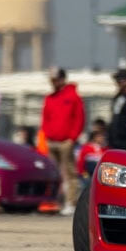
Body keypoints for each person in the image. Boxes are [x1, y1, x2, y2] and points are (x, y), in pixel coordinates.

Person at [41, 67, 85, 214]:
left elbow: (79, 118)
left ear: (62, 79)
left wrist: (72, 138)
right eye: (52, 80)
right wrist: (47, 134)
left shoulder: (73, 96)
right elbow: (45, 118)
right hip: (52, 141)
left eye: (55, 79)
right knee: (53, 173)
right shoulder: (49, 98)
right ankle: (55, 201)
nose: (53, 82)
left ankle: (70, 202)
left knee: (70, 172)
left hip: (66, 141)